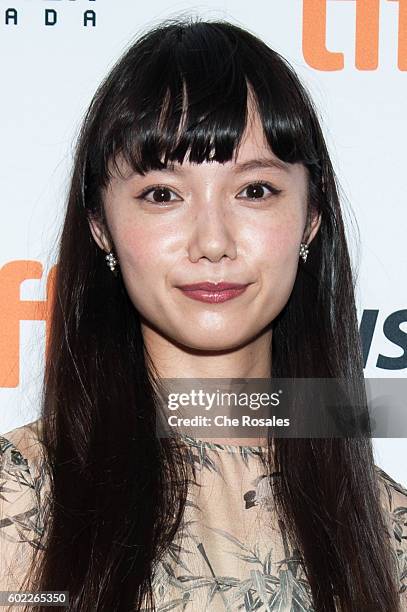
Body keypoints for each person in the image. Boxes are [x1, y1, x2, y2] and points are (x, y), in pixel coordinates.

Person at [0, 16, 406, 612]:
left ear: (311, 218)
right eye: (162, 194)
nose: (212, 242)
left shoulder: (386, 534)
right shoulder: (20, 504)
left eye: (255, 191)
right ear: (100, 227)